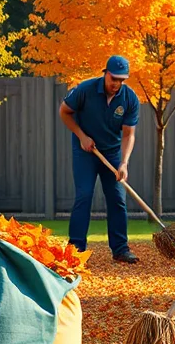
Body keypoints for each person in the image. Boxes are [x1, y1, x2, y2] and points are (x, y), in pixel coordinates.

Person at [59, 56, 141, 263]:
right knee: (84, 195)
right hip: (86, 151)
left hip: (112, 153)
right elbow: (65, 112)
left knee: (117, 199)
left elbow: (129, 135)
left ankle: (120, 249)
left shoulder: (129, 99)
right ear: (105, 73)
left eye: (121, 80)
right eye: (113, 78)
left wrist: (124, 163)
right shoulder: (85, 90)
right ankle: (76, 251)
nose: (116, 84)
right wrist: (81, 136)